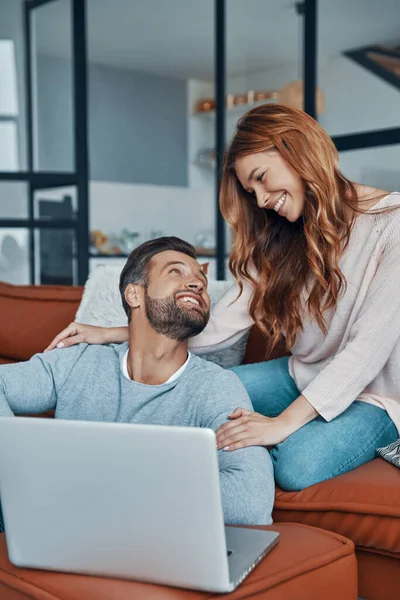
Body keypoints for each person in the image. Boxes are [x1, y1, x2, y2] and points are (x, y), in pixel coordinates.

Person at [47, 105, 400, 492]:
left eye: (262, 179)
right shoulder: (283, 235)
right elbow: (218, 327)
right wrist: (116, 333)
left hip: (375, 396)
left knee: (296, 466)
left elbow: (367, 350)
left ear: (297, 150)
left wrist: (281, 424)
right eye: (253, 192)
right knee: (184, 394)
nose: (263, 200)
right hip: (303, 373)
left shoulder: (391, 223)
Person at [0, 237, 275, 531]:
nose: (197, 283)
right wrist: (17, 473)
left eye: (201, 280)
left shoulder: (216, 387)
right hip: (49, 530)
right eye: (176, 271)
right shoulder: (78, 361)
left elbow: (252, 501)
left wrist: (110, 492)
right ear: (134, 294)